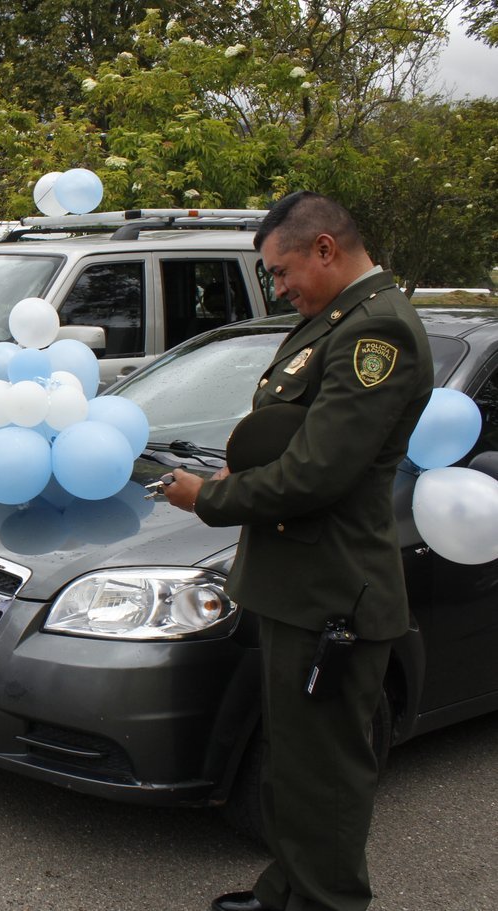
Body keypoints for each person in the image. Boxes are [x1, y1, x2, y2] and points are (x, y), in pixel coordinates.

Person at [162, 192, 433, 911]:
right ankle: (286, 889)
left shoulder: (379, 334)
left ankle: (325, 901)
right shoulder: (336, 320)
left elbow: (320, 471)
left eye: (283, 272)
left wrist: (210, 498)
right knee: (292, 762)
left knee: (328, 775)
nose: (278, 288)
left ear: (324, 249)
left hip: (334, 593)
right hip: (299, 588)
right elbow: (290, 435)